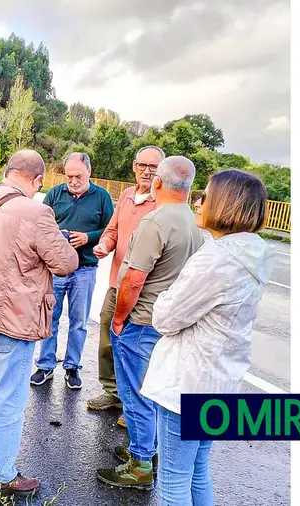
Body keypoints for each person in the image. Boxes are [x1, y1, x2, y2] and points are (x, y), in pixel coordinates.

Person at [141, 169, 275, 506]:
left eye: (207, 196)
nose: (199, 201)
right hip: (219, 380)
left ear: (226, 205)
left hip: (187, 384)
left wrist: (164, 298)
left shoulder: (216, 260)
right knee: (198, 471)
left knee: (172, 481)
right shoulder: (252, 254)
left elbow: (165, 317)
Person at [0, 149, 79, 497]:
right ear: (38, 180)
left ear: (9, 172)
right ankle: (2, 472)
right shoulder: (37, 211)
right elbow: (64, 263)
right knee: (10, 396)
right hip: (15, 316)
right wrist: (65, 244)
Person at [96, 156, 203, 490]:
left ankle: (140, 464)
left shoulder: (156, 221)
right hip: (167, 322)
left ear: (159, 182)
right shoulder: (192, 222)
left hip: (141, 321)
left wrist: (118, 318)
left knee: (135, 393)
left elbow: (132, 280)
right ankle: (147, 451)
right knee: (152, 390)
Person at [88, 146, 165, 421]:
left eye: (153, 167)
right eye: (142, 165)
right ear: (134, 166)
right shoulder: (126, 196)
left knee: (139, 348)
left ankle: (136, 406)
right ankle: (113, 393)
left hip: (147, 291)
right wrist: (104, 245)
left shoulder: (163, 203)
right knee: (108, 339)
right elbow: (113, 230)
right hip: (116, 284)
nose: (147, 171)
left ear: (162, 171)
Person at [31, 152, 114, 390]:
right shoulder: (56, 193)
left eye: (78, 175)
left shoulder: (102, 197)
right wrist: (57, 236)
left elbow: (110, 229)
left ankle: (72, 367)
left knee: (79, 321)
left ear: (89, 171)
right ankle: (45, 365)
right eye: (69, 176)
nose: (73, 180)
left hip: (85, 268)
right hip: (55, 269)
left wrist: (89, 237)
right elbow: (40, 223)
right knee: (50, 318)